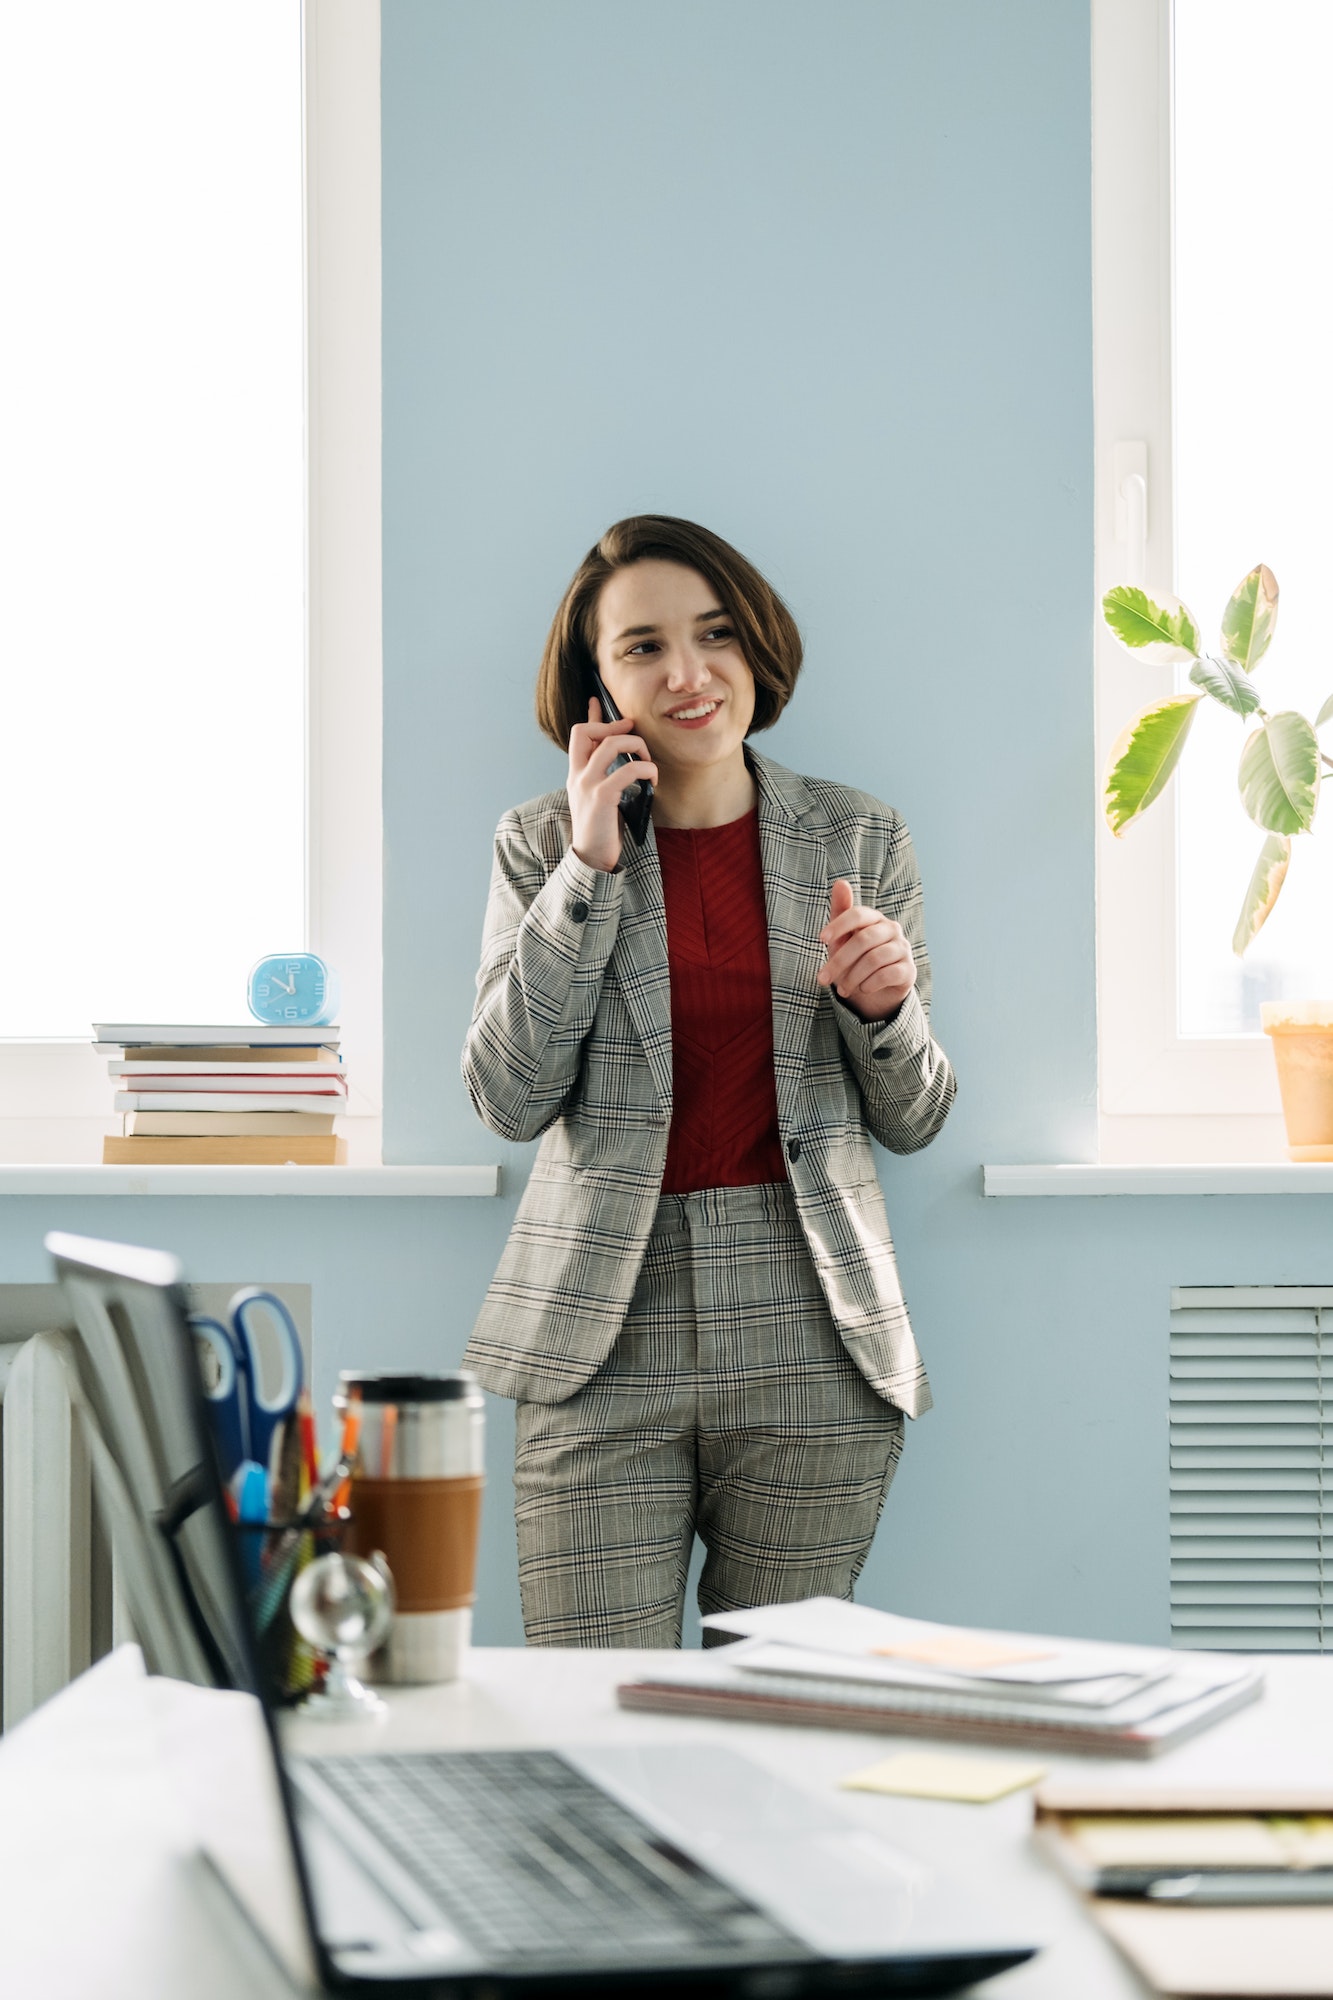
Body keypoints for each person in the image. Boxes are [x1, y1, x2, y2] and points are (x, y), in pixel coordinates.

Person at [462, 515, 955, 1646]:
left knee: (775, 1715)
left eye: (715, 633)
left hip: (809, 1322)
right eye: (642, 647)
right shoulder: (539, 842)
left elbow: (918, 1115)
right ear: (597, 683)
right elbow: (506, 1095)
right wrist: (588, 868)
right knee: (592, 1717)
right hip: (600, 1323)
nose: (688, 674)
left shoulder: (859, 835)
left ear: (756, 647)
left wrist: (884, 1010)